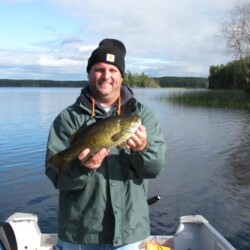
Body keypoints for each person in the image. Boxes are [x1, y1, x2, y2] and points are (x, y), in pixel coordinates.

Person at [45, 38, 166, 250]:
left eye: (113, 70)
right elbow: (57, 178)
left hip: (129, 235)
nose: (106, 76)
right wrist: (81, 167)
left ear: (121, 75)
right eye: (99, 69)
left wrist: (142, 150)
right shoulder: (67, 119)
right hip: (80, 235)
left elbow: (154, 168)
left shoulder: (143, 115)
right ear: (89, 73)